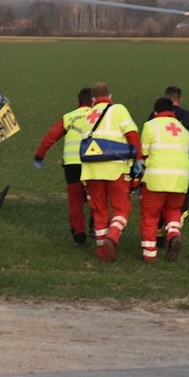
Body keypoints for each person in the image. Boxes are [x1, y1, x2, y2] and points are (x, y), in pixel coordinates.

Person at [77, 82, 142, 262]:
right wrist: (137, 159)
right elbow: (132, 135)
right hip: (115, 168)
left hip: (91, 171)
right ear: (110, 96)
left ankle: (102, 252)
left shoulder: (87, 115)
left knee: (99, 211)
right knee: (122, 208)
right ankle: (112, 236)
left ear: (92, 99)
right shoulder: (118, 109)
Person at [33, 87, 93, 246]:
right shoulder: (99, 116)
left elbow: (51, 136)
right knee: (97, 195)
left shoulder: (69, 117)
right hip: (92, 163)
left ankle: (79, 236)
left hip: (71, 165)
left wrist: (39, 155)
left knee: (75, 201)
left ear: (79, 101)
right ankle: (96, 226)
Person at [151, 86, 189, 238]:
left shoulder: (154, 116)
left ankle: (158, 236)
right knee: (178, 201)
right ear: (180, 100)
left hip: (158, 165)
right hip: (181, 166)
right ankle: (173, 231)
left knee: (158, 199)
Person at [138, 97, 189, 262]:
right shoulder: (183, 130)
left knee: (150, 215)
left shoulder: (150, 126)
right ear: (173, 112)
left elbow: (143, 154)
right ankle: (174, 235)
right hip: (180, 180)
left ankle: (149, 254)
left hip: (156, 178)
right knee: (173, 211)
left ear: (155, 112)